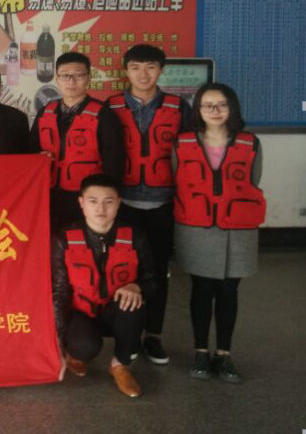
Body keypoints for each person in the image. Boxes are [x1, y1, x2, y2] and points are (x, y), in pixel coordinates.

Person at [173, 83, 265, 384]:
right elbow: (177, 180)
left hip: (237, 228)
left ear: (232, 108)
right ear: (197, 110)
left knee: (228, 291)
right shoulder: (182, 142)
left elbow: (252, 181)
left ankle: (224, 353)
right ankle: (201, 351)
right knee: (200, 290)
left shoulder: (250, 143)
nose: (215, 111)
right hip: (196, 227)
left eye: (222, 105)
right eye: (207, 105)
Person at [107, 44, 190, 365]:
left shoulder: (179, 107)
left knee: (158, 271)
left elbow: (191, 154)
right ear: (126, 71)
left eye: (151, 67)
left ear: (161, 70)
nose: (143, 74)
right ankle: (128, 335)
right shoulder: (112, 106)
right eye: (136, 67)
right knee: (124, 270)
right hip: (123, 204)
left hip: (162, 203)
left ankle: (153, 335)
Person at [52, 173, 156, 398]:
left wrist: (137, 287)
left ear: (118, 203)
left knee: (134, 304)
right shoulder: (65, 238)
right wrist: (57, 341)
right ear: (81, 203)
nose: (101, 208)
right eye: (93, 201)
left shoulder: (135, 236)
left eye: (108, 201)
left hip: (115, 311)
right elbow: (59, 292)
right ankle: (75, 354)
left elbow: (152, 280)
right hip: (80, 312)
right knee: (84, 347)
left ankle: (120, 365)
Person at [30, 52, 125, 228]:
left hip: (87, 197)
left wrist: (106, 198)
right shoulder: (45, 112)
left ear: (88, 78)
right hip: (48, 194)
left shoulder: (104, 115)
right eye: (65, 75)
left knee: (81, 241)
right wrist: (39, 156)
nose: (71, 81)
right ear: (57, 79)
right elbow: (30, 151)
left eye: (78, 75)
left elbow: (114, 162)